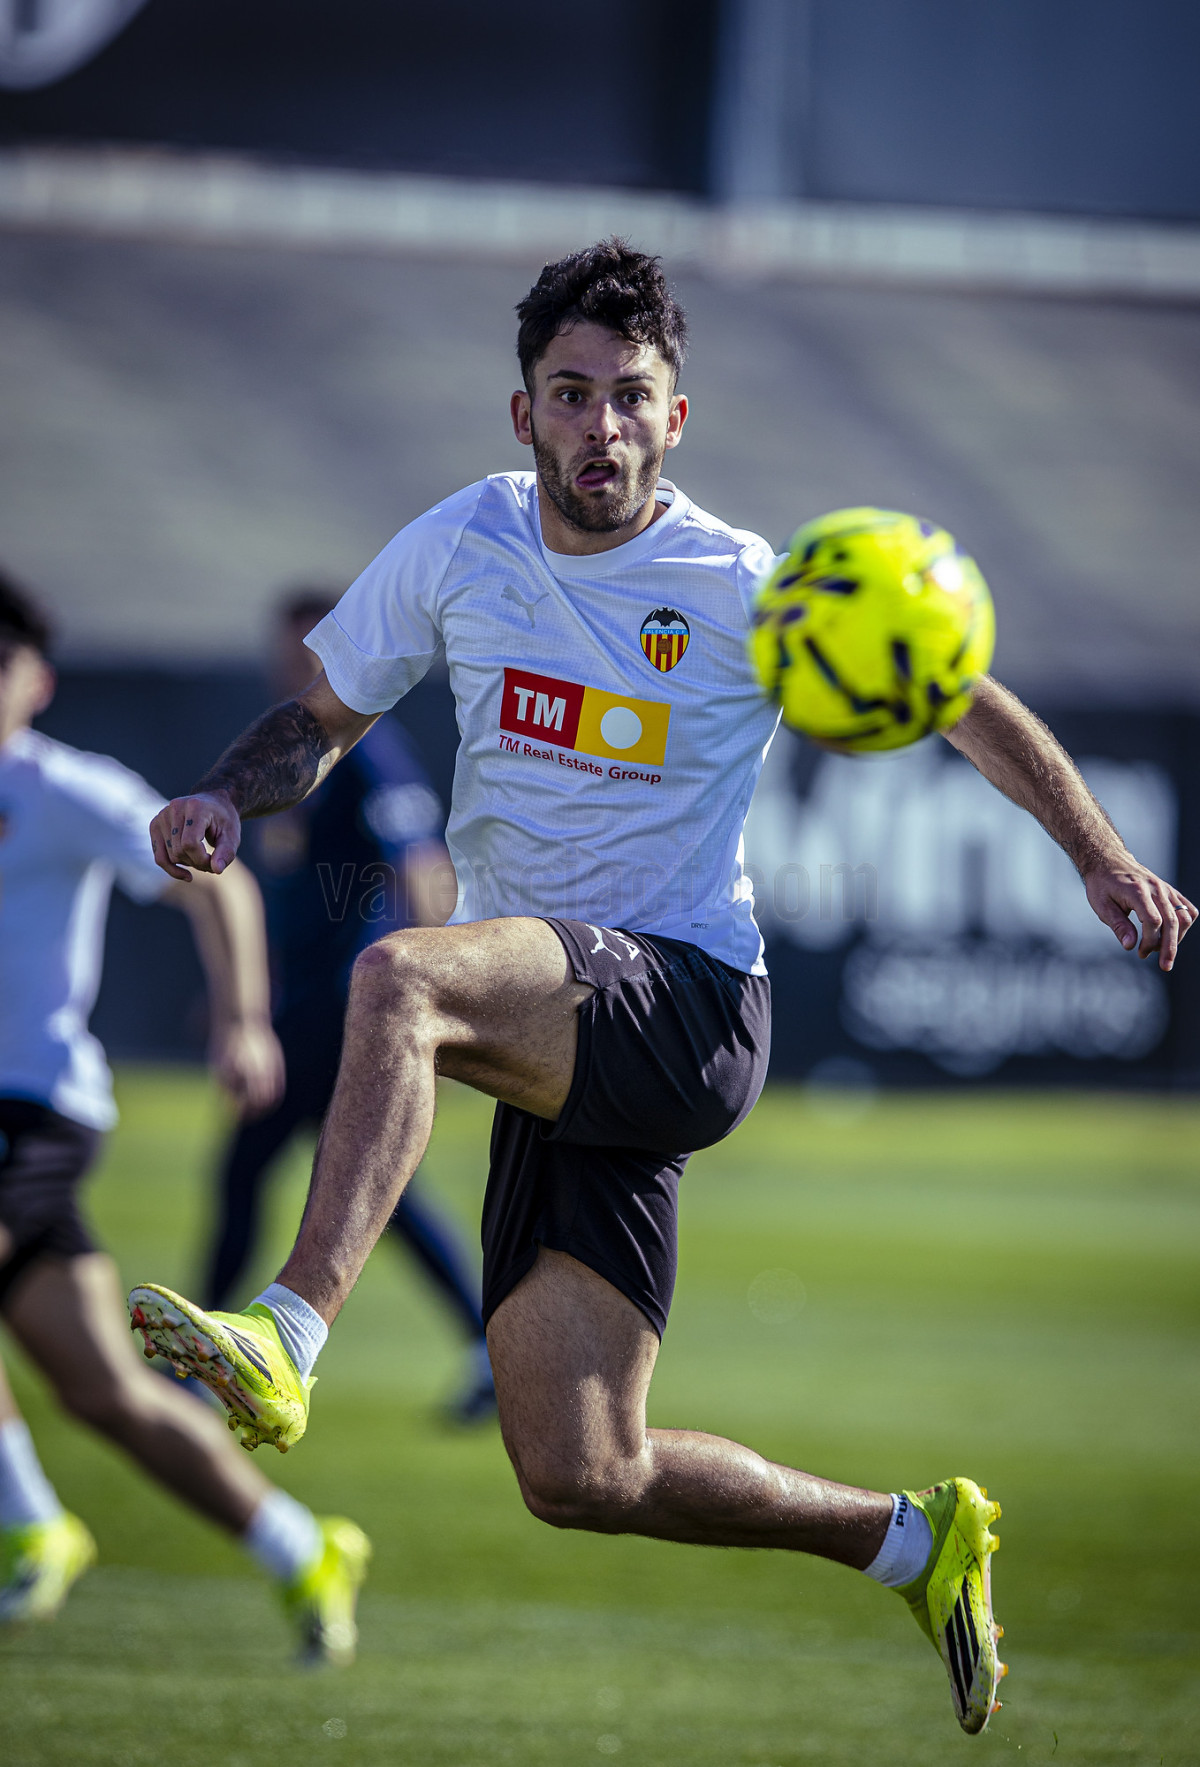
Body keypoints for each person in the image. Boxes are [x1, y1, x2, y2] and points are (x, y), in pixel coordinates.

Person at [129, 241, 1196, 1735]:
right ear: (525, 413)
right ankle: (911, 1539)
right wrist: (224, 795)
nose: (602, 425)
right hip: (562, 1031)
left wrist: (1097, 853)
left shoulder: (744, 584)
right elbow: (318, 716)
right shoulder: (462, 539)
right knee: (582, 1471)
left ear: (675, 418)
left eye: (631, 396)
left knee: (399, 979)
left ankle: (287, 1334)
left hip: (687, 1003)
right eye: (571, 394)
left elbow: (962, 700)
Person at [0, 572, 370, 1661]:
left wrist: (243, 1022)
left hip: (34, 1105)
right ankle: (302, 1548)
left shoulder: (59, 786)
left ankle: (28, 1525)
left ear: (39, 683)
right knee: (105, 1394)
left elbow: (222, 879)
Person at [203, 591, 495, 1420]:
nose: (292, 663)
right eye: (285, 647)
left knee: (262, 1172)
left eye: (308, 647)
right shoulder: (293, 755)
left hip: (341, 1011)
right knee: (371, 1187)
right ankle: (484, 1340)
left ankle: (197, 1360)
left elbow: (423, 869)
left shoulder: (367, 748)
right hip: (303, 1004)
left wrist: (438, 1003)